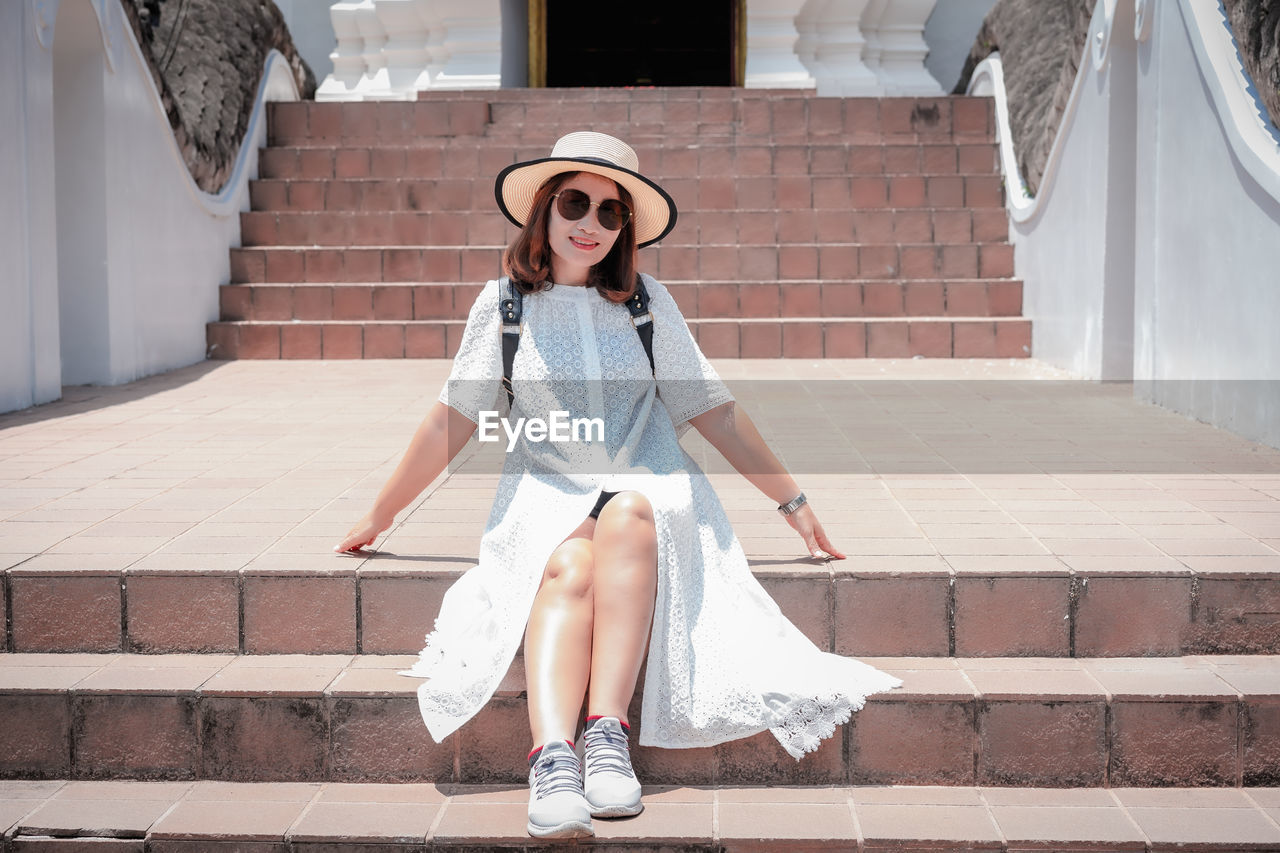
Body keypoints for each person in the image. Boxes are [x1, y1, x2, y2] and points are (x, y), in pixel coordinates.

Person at [335, 131, 900, 840]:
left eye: (611, 213)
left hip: (648, 481)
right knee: (569, 563)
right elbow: (452, 419)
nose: (591, 224)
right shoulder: (505, 305)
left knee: (631, 512)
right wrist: (380, 515)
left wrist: (793, 502)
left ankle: (607, 733)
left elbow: (712, 410)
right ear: (542, 208)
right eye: (576, 202)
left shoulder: (645, 303)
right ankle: (551, 756)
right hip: (545, 488)